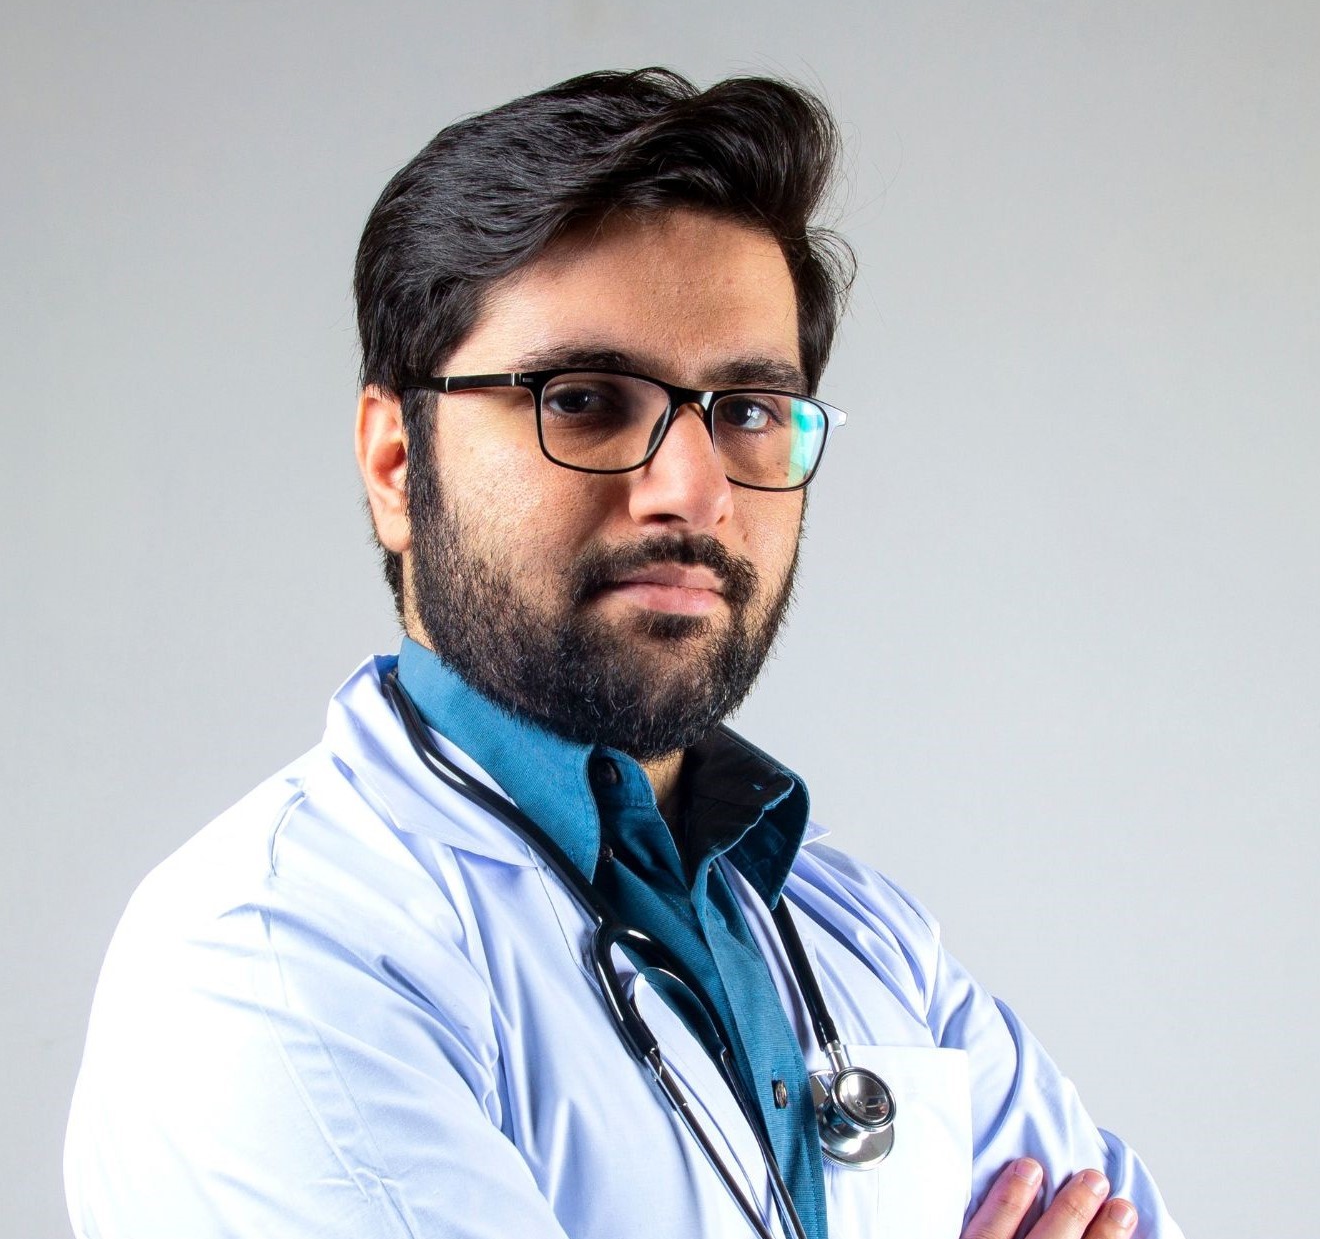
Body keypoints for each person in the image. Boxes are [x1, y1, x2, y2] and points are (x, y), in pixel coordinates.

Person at [64, 69, 1183, 1239]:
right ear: (398, 464)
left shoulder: (857, 932)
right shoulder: (272, 956)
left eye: (748, 412)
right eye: (585, 399)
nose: (692, 491)